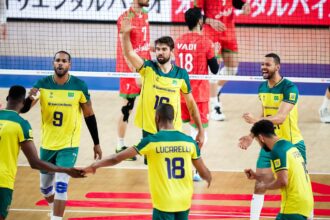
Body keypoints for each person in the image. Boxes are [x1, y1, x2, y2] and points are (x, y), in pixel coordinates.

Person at [83, 103, 212, 220]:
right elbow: (204, 172)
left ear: (157, 118)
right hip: (184, 202)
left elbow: (116, 158)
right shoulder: (189, 142)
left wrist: (94, 165)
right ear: (173, 118)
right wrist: (208, 177)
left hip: (164, 203)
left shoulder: (151, 141)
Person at [21, 51, 103, 220]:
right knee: (45, 189)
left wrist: (96, 143)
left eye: (64, 61)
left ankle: (56, 218)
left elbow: (89, 115)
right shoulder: (42, 84)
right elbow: (24, 109)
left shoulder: (79, 85)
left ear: (69, 65)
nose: (60, 63)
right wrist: (29, 98)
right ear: (53, 63)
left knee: (61, 186)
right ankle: (54, 211)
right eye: (57, 60)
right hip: (48, 145)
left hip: (69, 146)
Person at [238, 53, 307, 220]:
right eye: (262, 64)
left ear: (277, 67)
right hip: (269, 145)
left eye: (267, 64)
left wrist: (255, 120)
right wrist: (251, 135)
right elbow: (266, 114)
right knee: (260, 183)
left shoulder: (289, 88)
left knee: (300, 187)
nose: (263, 67)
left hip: (291, 144)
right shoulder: (262, 88)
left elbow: (280, 117)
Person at [0, 85, 84, 220]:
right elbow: (34, 163)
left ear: (7, 98)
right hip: (3, 181)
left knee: (47, 188)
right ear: (23, 102)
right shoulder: (21, 125)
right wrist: (64, 170)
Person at [120, 16, 205, 148]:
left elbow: (191, 104)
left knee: (169, 165)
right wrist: (125, 35)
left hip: (173, 129)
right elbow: (129, 53)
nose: (160, 52)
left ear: (172, 52)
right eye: (158, 49)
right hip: (150, 128)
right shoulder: (148, 68)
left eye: (164, 49)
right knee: (152, 166)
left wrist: (201, 129)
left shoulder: (181, 74)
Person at [174, 7, 219, 181]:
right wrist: (215, 51)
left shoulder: (178, 41)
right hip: (198, 95)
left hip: (181, 93)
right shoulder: (206, 42)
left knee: (182, 129)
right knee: (200, 133)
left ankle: (178, 163)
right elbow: (215, 70)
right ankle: (192, 168)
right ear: (200, 22)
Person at [244, 120, 314, 220]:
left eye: (257, 141)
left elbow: (283, 181)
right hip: (306, 204)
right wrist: (256, 176)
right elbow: (288, 176)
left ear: (261, 138)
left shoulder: (277, 151)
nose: (260, 145)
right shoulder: (288, 146)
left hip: (292, 207)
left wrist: (265, 186)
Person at [194, 0, 251, 121]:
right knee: (213, 70)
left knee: (232, 68)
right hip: (211, 32)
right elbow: (195, 13)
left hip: (229, 31)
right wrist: (210, 21)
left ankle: (215, 90)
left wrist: (244, 6)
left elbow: (236, 2)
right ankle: (215, 107)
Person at [116, 0, 151, 160]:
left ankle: (147, 145)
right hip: (132, 71)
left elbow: (143, 44)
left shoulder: (144, 14)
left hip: (145, 68)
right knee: (127, 107)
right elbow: (125, 49)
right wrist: (135, 72)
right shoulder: (125, 18)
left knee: (149, 106)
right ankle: (120, 145)